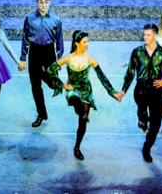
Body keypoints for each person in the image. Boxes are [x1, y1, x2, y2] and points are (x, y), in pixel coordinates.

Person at [45, 30, 120, 160]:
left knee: (82, 121)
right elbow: (50, 69)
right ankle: (81, 109)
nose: (87, 44)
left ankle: (77, 147)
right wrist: (62, 85)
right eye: (85, 42)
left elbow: (101, 76)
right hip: (72, 89)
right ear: (77, 43)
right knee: (75, 100)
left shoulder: (89, 59)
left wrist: (112, 92)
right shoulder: (68, 58)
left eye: (87, 42)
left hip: (86, 90)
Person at [117, 23, 162, 163]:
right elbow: (130, 73)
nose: (145, 37)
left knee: (156, 124)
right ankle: (142, 121)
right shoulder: (137, 52)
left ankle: (146, 148)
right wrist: (123, 90)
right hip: (141, 90)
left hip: (157, 91)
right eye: (144, 34)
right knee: (143, 118)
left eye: (148, 35)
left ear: (155, 35)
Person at [18, 0, 64, 127]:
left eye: (46, 2)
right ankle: (41, 114)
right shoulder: (29, 18)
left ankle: (43, 75)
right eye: (41, 2)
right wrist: (23, 58)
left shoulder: (56, 20)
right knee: (35, 85)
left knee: (53, 83)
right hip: (35, 51)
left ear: (50, 2)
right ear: (37, 2)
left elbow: (59, 40)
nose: (43, 5)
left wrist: (60, 58)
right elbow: (25, 38)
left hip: (49, 51)